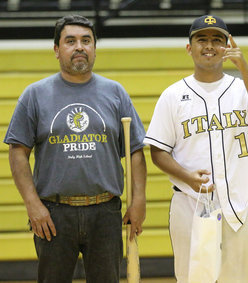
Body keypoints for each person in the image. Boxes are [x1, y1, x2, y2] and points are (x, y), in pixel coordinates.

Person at [4, 15, 146, 283]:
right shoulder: (34, 95)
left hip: (105, 212)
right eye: (70, 41)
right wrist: (33, 205)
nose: (79, 47)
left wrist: (139, 200)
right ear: (57, 50)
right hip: (53, 214)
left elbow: (136, 151)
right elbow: (18, 152)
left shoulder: (115, 93)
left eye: (86, 41)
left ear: (94, 47)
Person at [143, 15, 248, 282]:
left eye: (217, 40)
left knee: (236, 278)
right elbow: (158, 152)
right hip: (190, 201)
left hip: (237, 201)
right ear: (189, 48)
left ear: (227, 46)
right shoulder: (172, 95)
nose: (209, 46)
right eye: (201, 39)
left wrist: (243, 66)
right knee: (192, 277)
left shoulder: (241, 88)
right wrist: (186, 176)